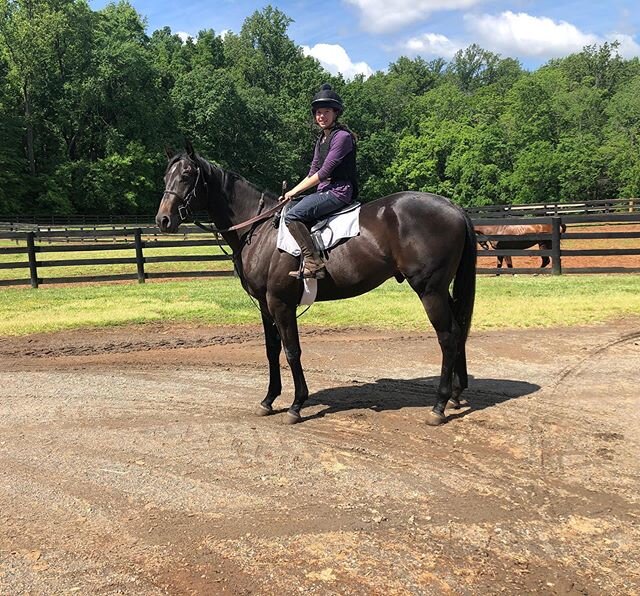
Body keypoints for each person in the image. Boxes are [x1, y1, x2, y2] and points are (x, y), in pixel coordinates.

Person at [280, 83, 358, 279]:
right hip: (324, 191)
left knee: (292, 216)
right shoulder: (321, 140)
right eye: (318, 113)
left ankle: (314, 262)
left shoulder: (342, 137)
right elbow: (312, 172)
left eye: (326, 112)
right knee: (289, 208)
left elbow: (323, 173)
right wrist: (291, 194)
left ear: (335, 113)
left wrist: (294, 192)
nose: (321, 116)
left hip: (339, 191)